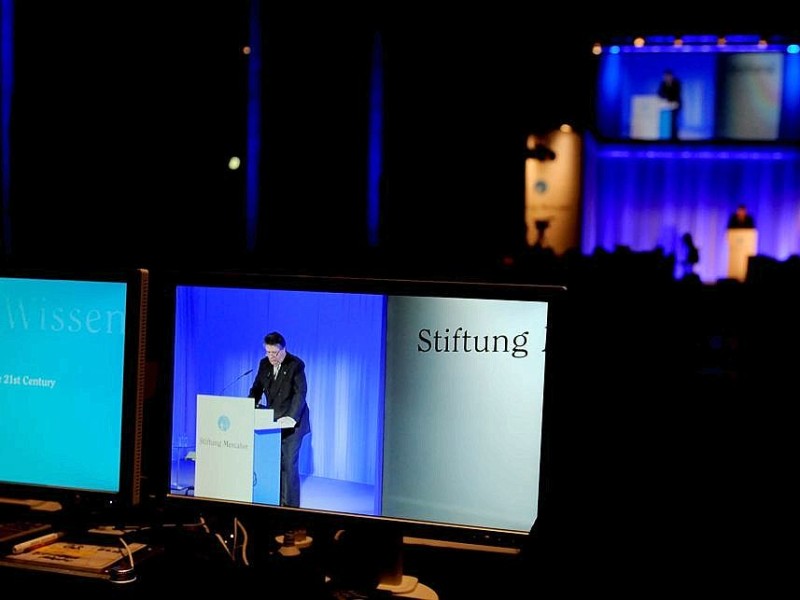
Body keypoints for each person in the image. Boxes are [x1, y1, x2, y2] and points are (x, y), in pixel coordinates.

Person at [248, 331, 310, 507]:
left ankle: (290, 508)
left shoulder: (295, 364)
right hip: (273, 421)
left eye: (274, 353)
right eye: (268, 352)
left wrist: (291, 417)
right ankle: (274, 502)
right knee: (273, 463)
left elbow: (300, 393)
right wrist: (247, 406)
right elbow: (256, 389)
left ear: (284, 349)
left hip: (294, 422)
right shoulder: (264, 364)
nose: (271, 357)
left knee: (288, 464)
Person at [657, 69, 682, 140]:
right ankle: (666, 138)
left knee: (674, 122)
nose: (666, 78)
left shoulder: (677, 83)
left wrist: (673, 103)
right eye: (664, 76)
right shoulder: (663, 83)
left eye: (667, 76)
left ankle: (675, 138)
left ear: (671, 76)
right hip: (666, 105)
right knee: (666, 122)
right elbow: (659, 93)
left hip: (676, 105)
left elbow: (677, 94)